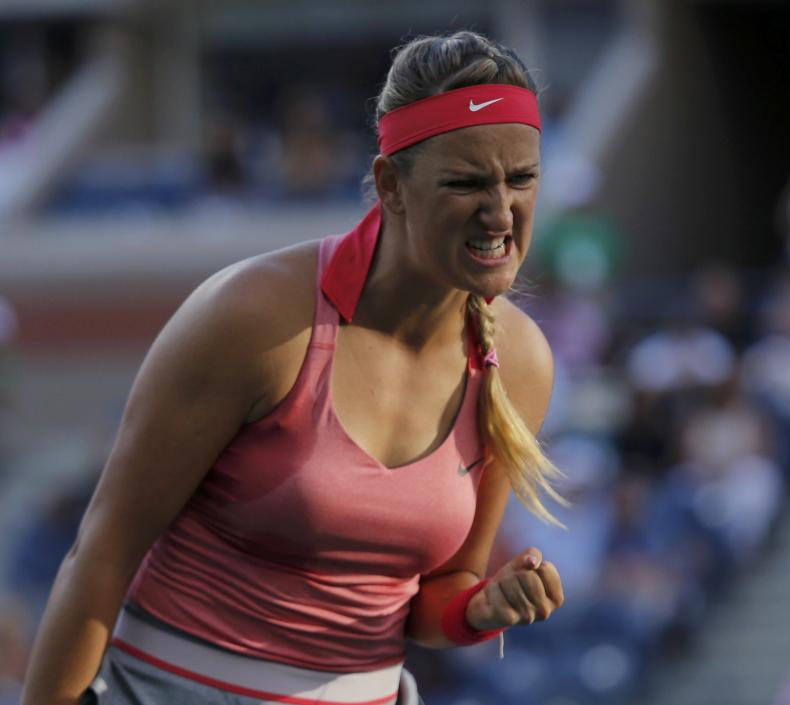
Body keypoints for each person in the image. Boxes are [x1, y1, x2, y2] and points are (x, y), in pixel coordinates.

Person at [21, 30, 567, 705]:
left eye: (522, 178)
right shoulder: (253, 316)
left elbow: (438, 592)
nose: (500, 210)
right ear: (389, 185)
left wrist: (481, 606)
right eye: (466, 182)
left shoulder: (519, 361)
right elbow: (102, 554)